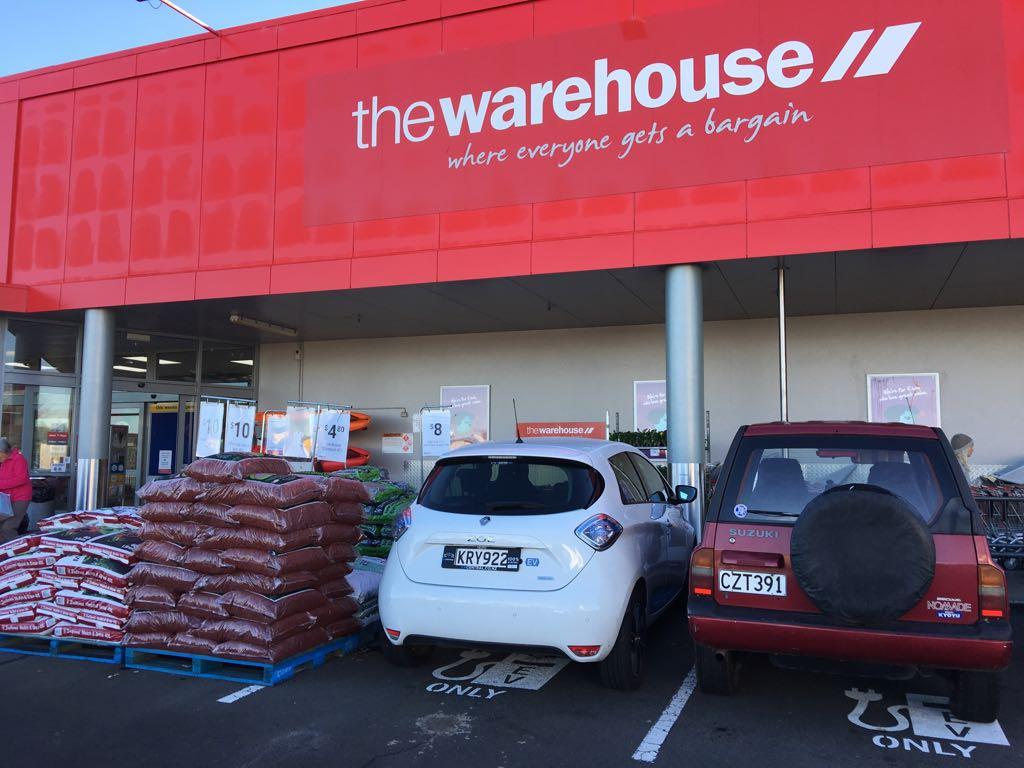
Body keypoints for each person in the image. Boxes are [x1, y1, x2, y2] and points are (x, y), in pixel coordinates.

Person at [0, 438, 32, 543]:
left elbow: (22, 479)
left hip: (20, 498)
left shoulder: (19, 459)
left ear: (4, 452)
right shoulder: (3, 462)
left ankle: (16, 551)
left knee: (8, 527)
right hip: (6, 498)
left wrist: (1, 484)